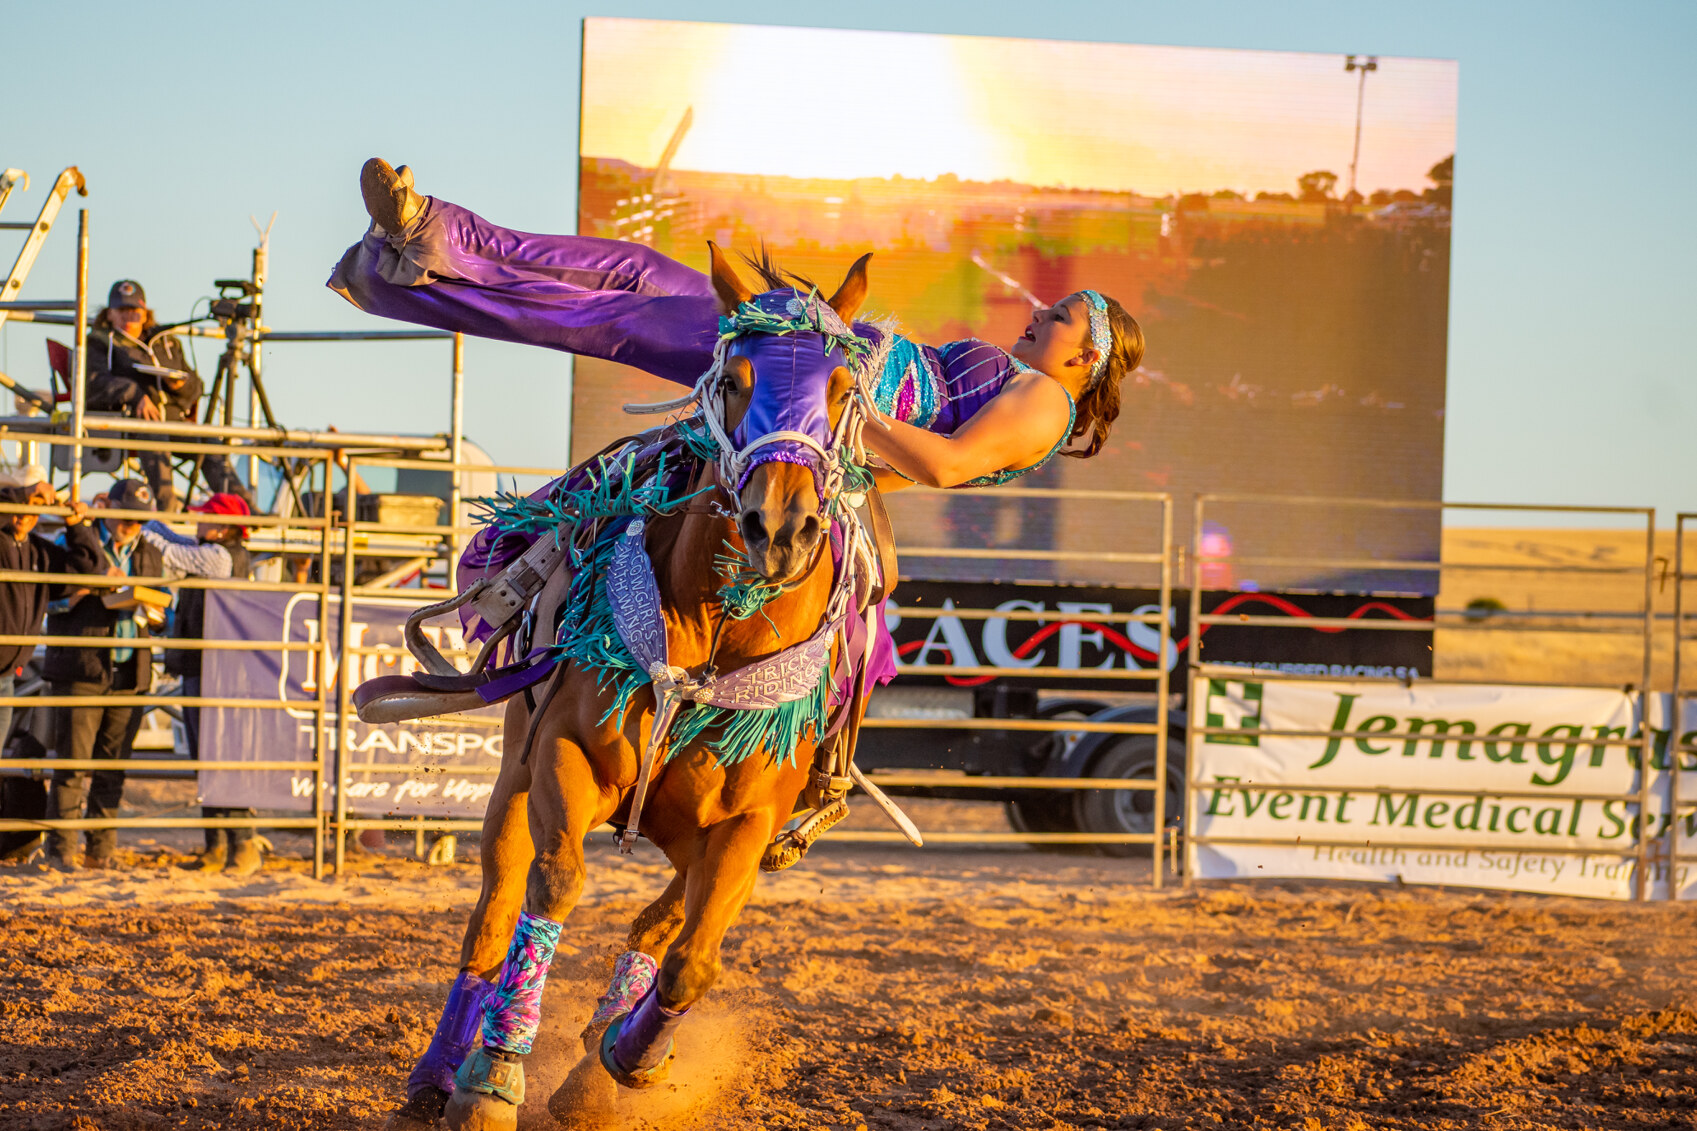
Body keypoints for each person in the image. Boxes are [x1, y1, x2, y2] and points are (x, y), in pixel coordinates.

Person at [330, 159, 1145, 496]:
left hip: (812, 389)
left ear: (1087, 356)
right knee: (631, 279)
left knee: (620, 310)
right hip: (816, 354)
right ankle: (421, 244)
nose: (1040, 313)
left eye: (1059, 316)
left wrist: (844, 403)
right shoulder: (1024, 377)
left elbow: (949, 465)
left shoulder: (1045, 402)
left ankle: (418, 255)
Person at [44, 478, 164, 869]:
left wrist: (152, 610)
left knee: (112, 768)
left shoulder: (150, 553)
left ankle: (100, 853)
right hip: (83, 668)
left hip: (130, 672)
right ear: (106, 506)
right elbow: (50, 602)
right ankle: (61, 852)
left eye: (139, 519)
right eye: (126, 516)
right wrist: (90, 590)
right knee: (72, 765)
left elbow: (165, 615)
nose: (133, 525)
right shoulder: (77, 545)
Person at [139, 493, 259, 874]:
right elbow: (173, 541)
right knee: (206, 757)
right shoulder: (218, 552)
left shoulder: (219, 557)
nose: (198, 523)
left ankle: (240, 845)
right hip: (207, 666)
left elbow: (169, 550)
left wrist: (139, 520)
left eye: (205, 518)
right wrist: (149, 516)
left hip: (217, 670)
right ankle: (219, 846)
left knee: (220, 756)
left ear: (222, 527)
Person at [86, 280, 249, 512]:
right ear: (109, 314)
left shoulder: (166, 342)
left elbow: (195, 389)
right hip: (127, 422)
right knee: (152, 432)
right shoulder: (99, 343)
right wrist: (135, 394)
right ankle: (167, 511)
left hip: (173, 420)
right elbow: (93, 384)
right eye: (122, 311)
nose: (128, 317)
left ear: (145, 314)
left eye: (134, 311)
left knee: (210, 442)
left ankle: (242, 508)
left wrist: (179, 384)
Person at [0, 468, 96, 748]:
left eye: (34, 508)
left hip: (7, 674)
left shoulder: (38, 551)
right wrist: (24, 496)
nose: (23, 515)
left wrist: (76, 524)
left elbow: (86, 568)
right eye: (17, 506)